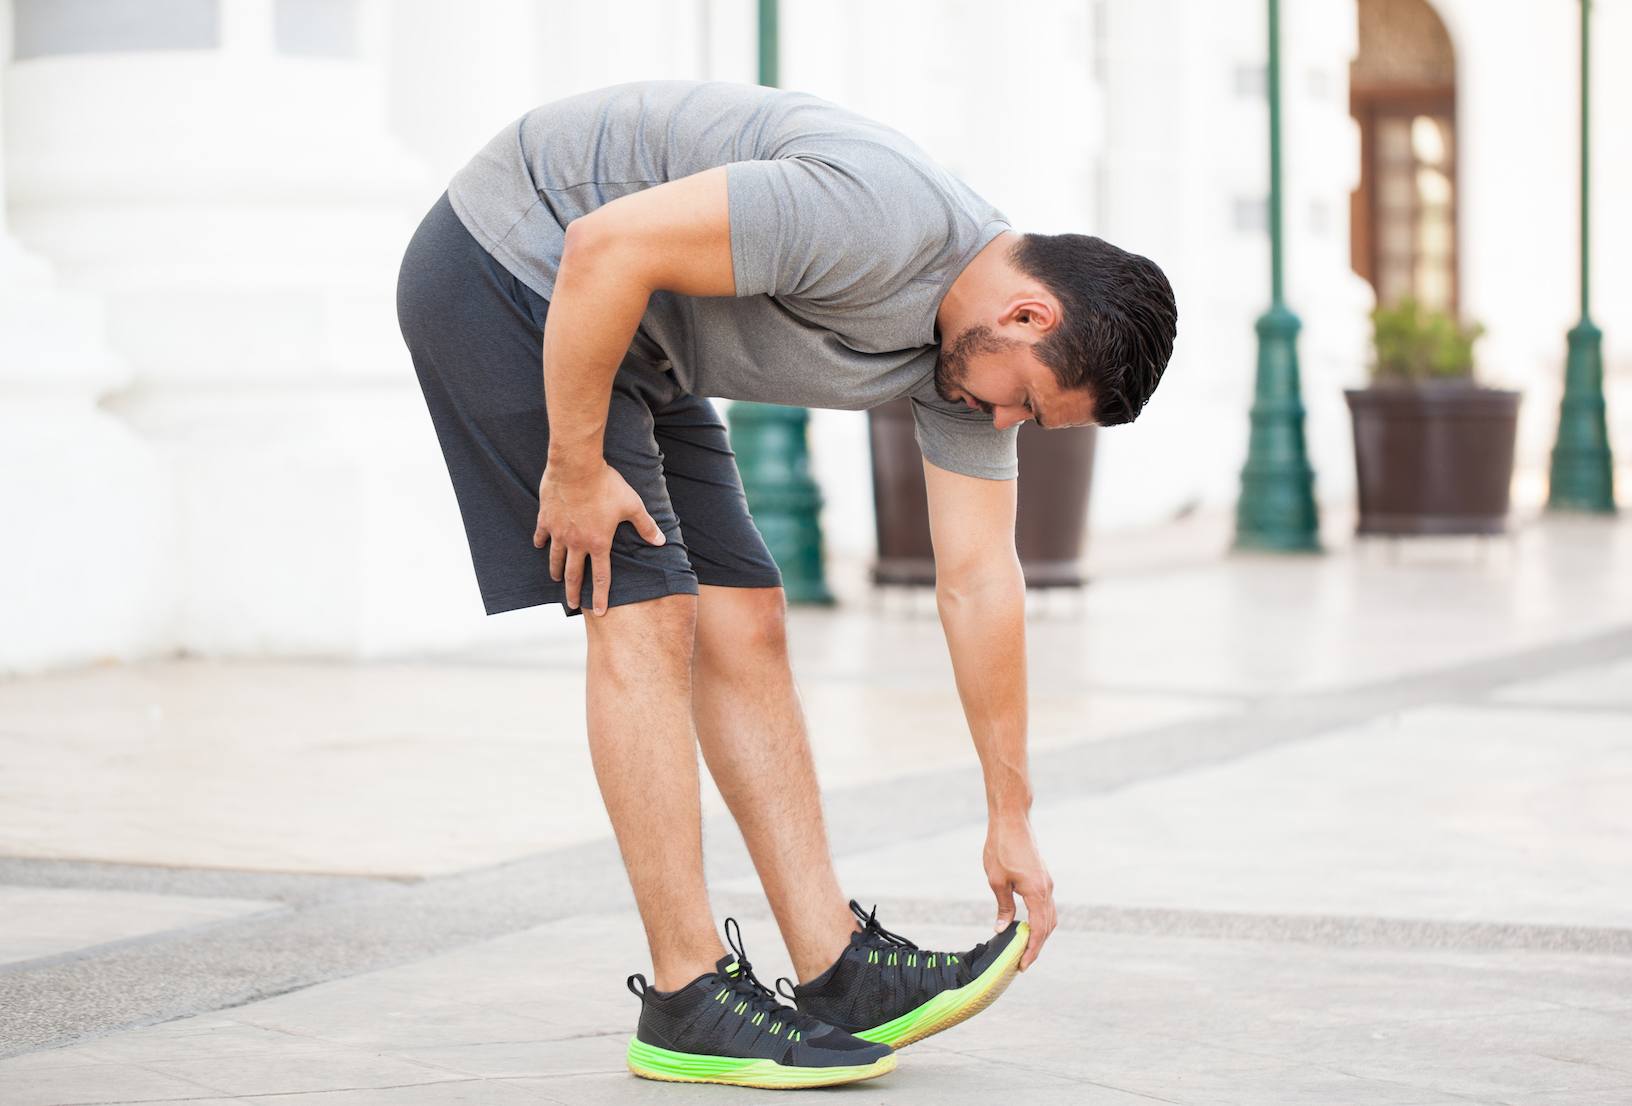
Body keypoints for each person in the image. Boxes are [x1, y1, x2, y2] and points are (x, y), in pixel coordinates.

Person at [397, 80, 1177, 1089]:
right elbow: (603, 245)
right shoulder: (875, 220)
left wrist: (1009, 811)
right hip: (508, 269)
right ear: (1026, 312)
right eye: (1023, 402)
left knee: (745, 615)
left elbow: (980, 578)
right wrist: (577, 466)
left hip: (634, 335)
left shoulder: (961, 353)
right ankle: (684, 995)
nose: (1000, 426)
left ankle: (836, 967)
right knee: (645, 607)